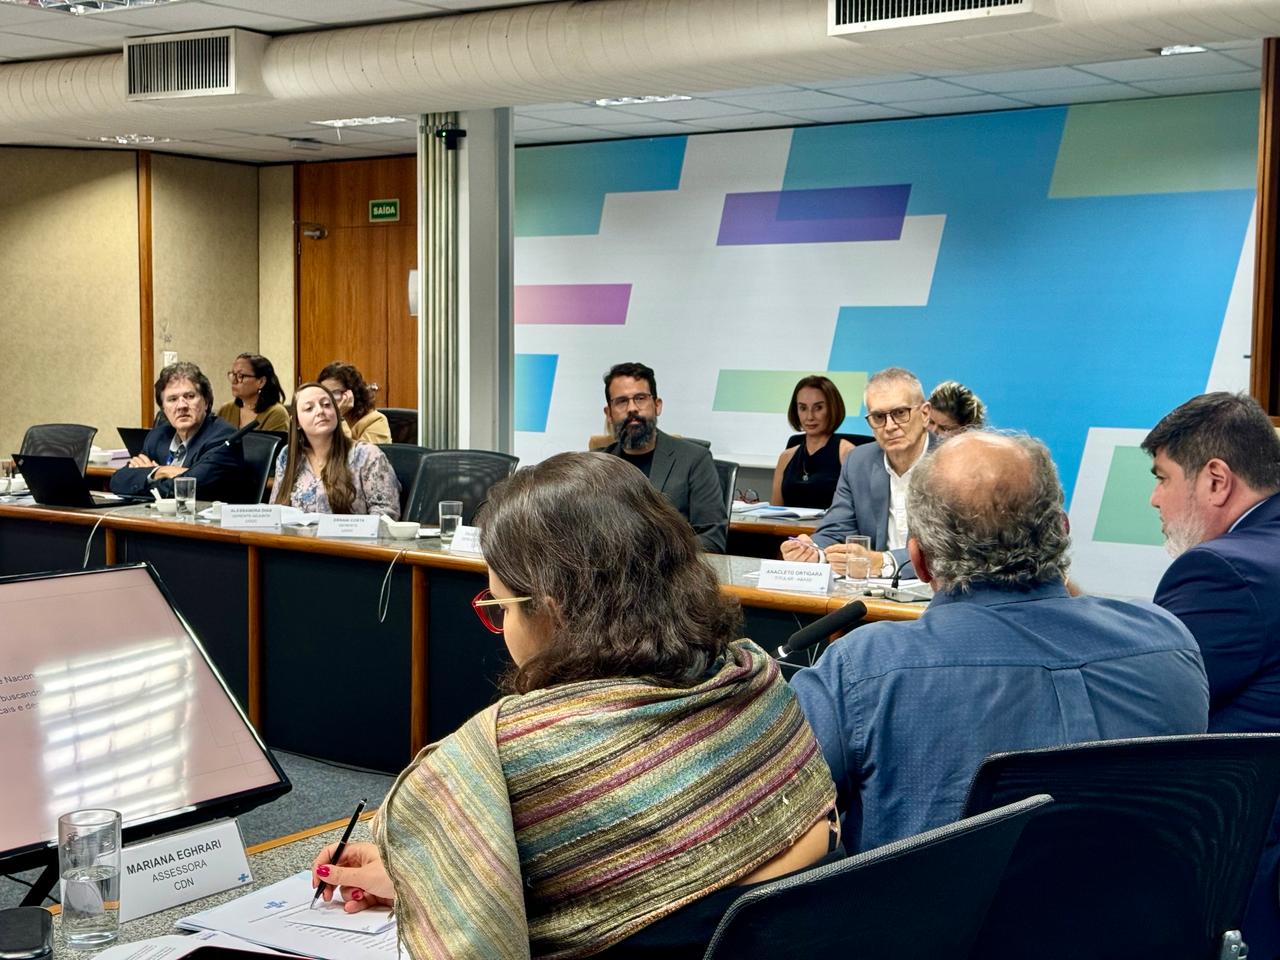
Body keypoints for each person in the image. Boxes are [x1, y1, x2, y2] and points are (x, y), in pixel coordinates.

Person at [306, 452, 836, 958]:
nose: (500, 628)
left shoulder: (496, 766)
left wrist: (443, 863)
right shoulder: (756, 683)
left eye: (500, 607)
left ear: (553, 611)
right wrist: (434, 877)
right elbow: (628, 885)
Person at [792, 430, 1208, 853]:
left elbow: (768, 818)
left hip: (937, 918)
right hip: (1137, 917)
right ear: (1063, 531)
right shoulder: (1169, 643)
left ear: (917, 559)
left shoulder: (863, 672)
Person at [1143, 391, 1280, 957]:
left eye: (1163, 477)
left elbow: (1144, 695)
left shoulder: (1223, 569)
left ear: (1216, 480)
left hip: (1244, 868)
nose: (1154, 499)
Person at [782, 366, 937, 577]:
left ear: (925, 414)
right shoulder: (858, 462)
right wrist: (814, 552)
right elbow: (837, 530)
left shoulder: (955, 463)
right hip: (875, 593)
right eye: (878, 417)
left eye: (900, 413)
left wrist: (884, 563)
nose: (889, 426)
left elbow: (958, 546)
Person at [600, 361, 727, 553]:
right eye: (622, 401)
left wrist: (654, 556)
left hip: (671, 574)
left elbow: (713, 538)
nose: (632, 408)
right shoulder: (598, 465)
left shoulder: (694, 459)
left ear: (657, 405)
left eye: (640, 398)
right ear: (609, 413)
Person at [110, 361, 247, 502]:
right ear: (163, 409)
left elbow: (191, 487)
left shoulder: (223, 436)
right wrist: (161, 471)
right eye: (172, 399)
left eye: (190, 396)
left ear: (206, 401)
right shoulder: (158, 436)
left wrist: (147, 476)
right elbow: (118, 481)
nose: (181, 405)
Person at [272, 383, 401, 518]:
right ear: (297, 422)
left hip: (350, 539)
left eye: (327, 405)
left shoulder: (367, 455)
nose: (320, 411)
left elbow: (386, 513)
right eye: (309, 408)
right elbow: (276, 511)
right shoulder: (288, 455)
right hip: (295, 538)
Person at [771, 375, 855, 508]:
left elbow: (857, 511)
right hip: (788, 529)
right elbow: (774, 513)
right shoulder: (786, 457)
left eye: (818, 408)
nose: (810, 417)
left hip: (830, 528)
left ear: (832, 409)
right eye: (803, 408)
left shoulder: (848, 454)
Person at [318, 361, 392, 445]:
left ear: (352, 393)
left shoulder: (376, 421)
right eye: (324, 392)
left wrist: (338, 417)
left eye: (335, 393)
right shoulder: (320, 419)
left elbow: (355, 455)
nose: (327, 400)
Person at [216, 352, 290, 433]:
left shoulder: (276, 413)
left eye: (240, 376)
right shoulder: (225, 410)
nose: (234, 381)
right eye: (233, 375)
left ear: (261, 382)